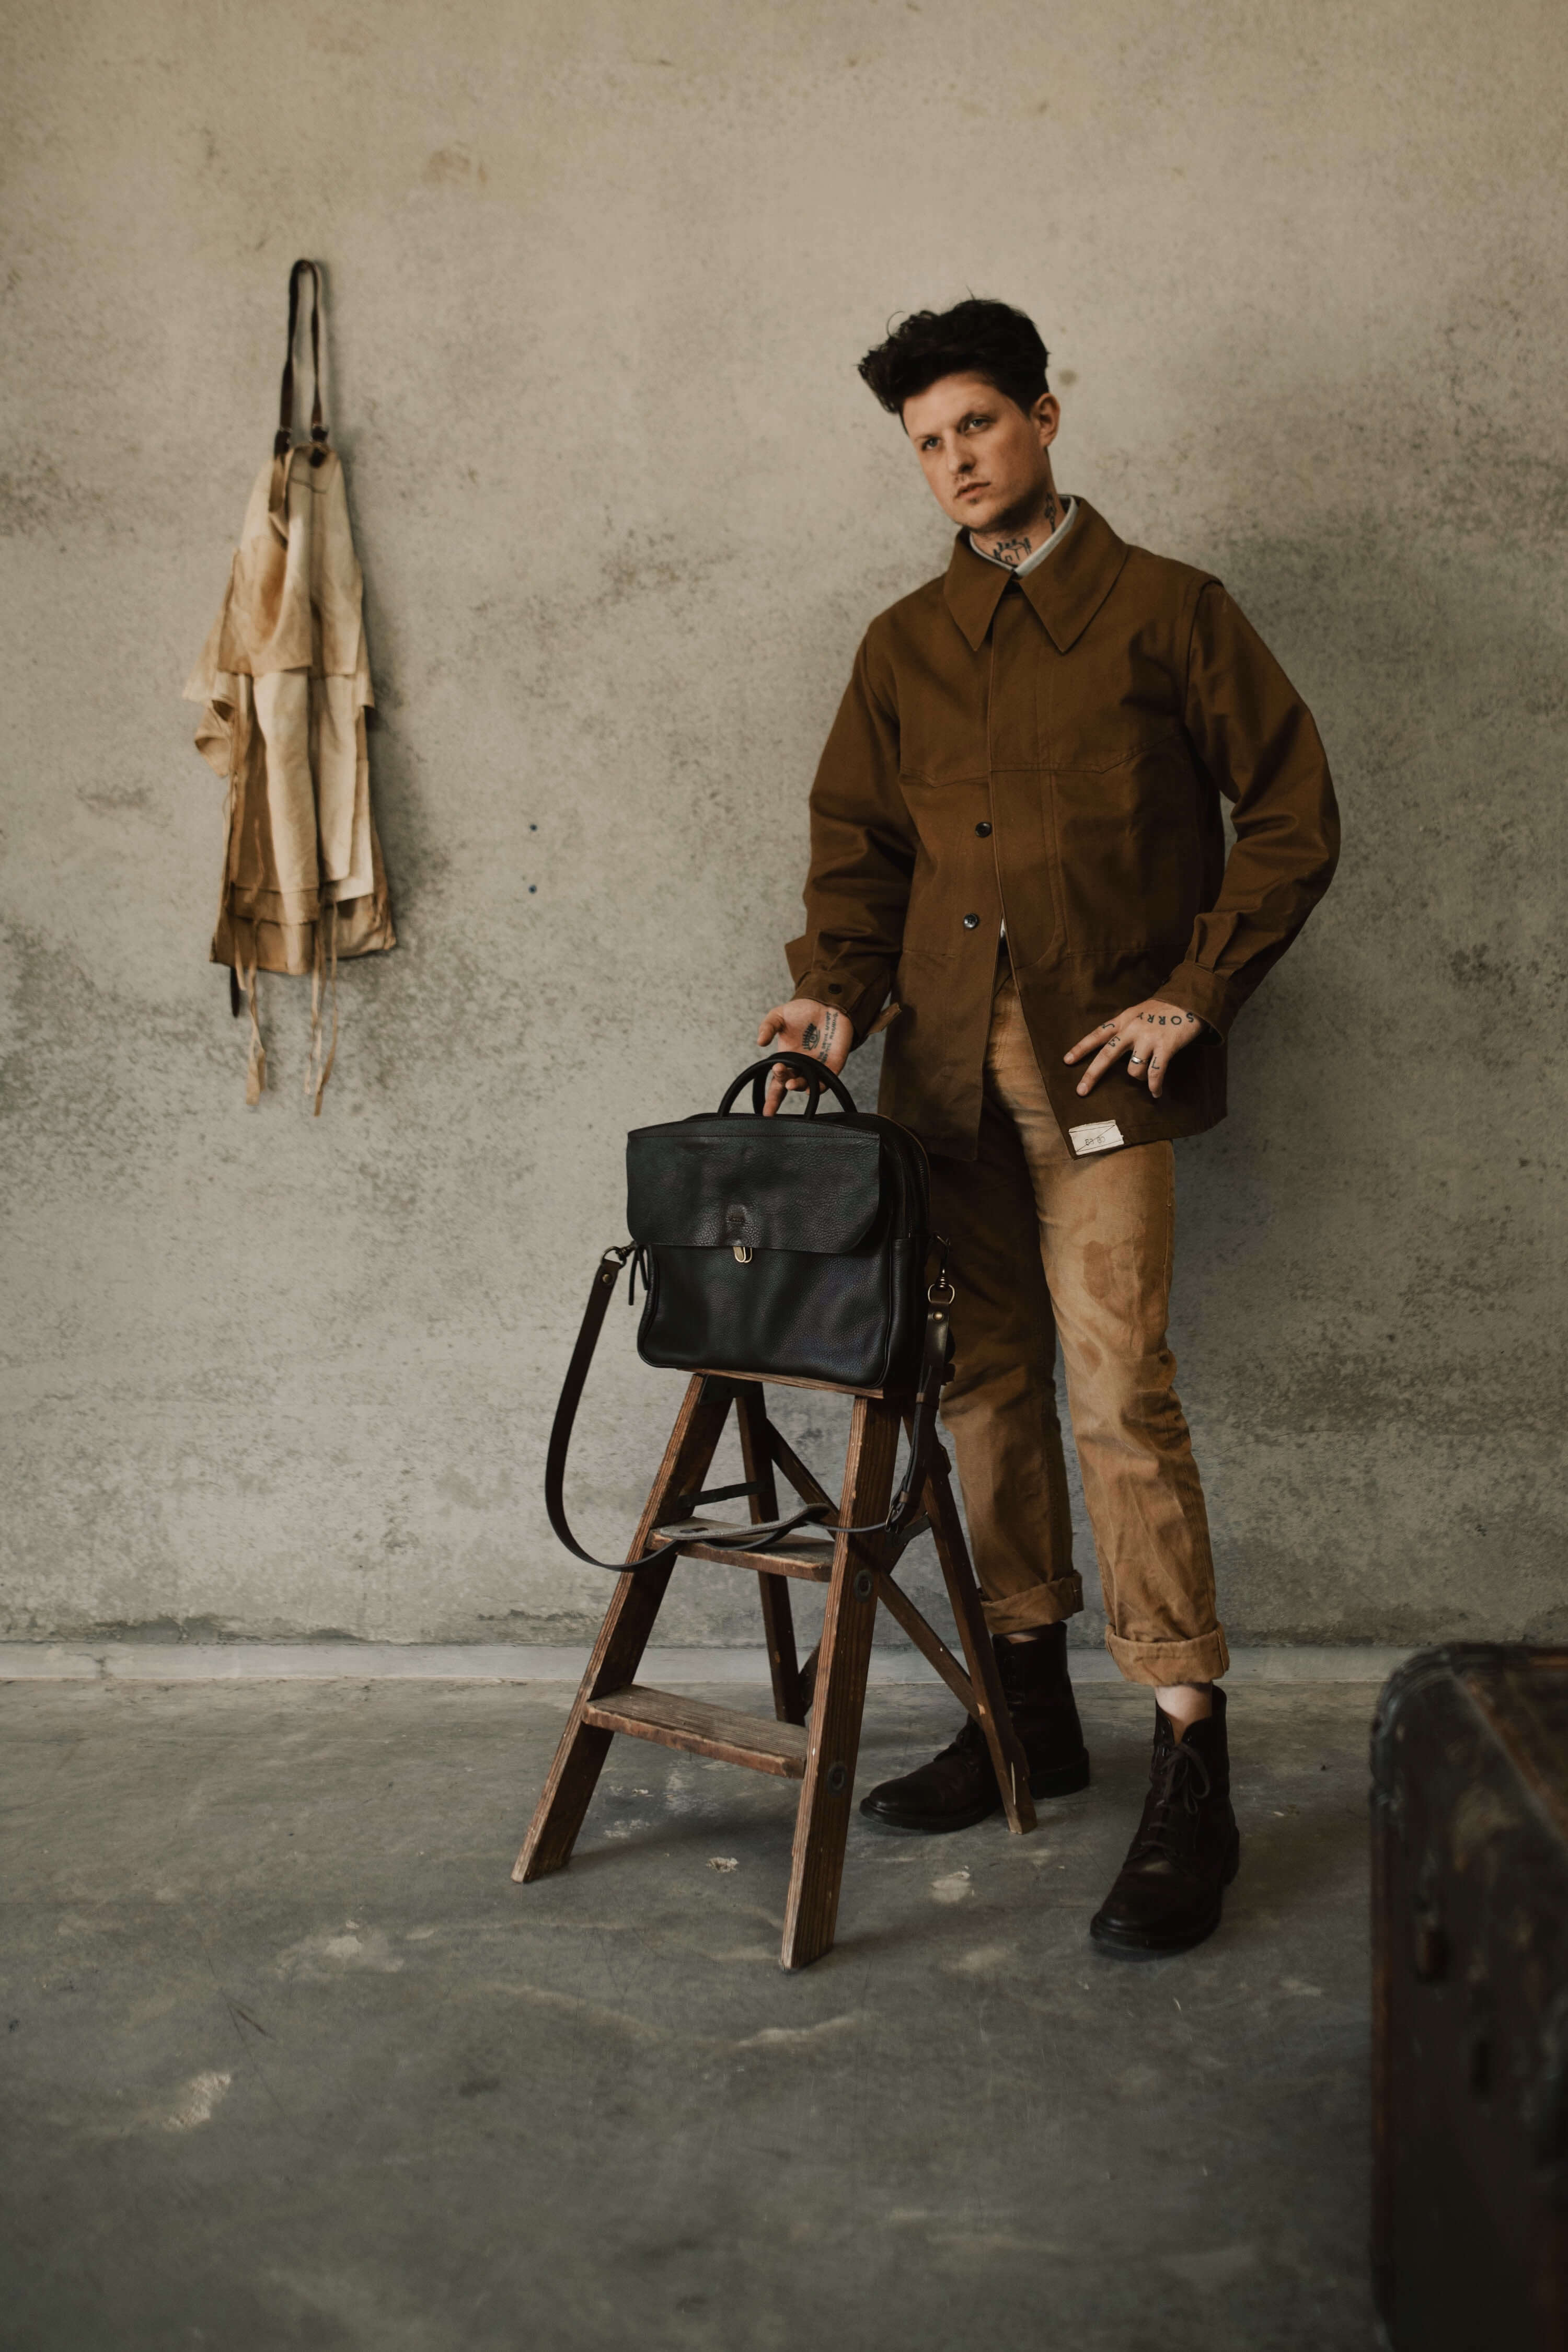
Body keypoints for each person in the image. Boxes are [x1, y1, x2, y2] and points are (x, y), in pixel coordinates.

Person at [757, 299, 1339, 1957]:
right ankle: (1027, 1707)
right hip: (936, 1088)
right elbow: (858, 858)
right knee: (983, 1385)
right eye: (928, 445)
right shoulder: (901, 647)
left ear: (1047, 418)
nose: (955, 464)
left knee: (1117, 1393)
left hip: (1105, 1088)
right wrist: (831, 998)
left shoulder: (1170, 613)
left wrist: (1196, 990)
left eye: (979, 428)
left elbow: (1292, 810)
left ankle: (1188, 1755)